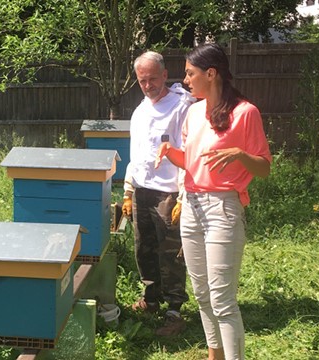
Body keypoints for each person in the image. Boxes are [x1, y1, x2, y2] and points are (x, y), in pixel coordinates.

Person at [155, 43, 271, 359]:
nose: (186, 80)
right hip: (191, 206)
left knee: (222, 299)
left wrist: (241, 155)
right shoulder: (194, 112)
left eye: (190, 74)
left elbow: (264, 167)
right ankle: (214, 354)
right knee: (202, 293)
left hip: (223, 209)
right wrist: (171, 154)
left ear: (211, 73)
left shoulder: (245, 113)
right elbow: (194, 163)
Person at [122, 50, 196, 336]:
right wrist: (128, 190)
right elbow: (136, 154)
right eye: (142, 80)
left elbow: (188, 151)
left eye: (153, 78)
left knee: (171, 255)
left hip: (168, 192)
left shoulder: (182, 107)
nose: (148, 84)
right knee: (144, 249)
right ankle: (151, 299)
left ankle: (175, 310)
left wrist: (181, 194)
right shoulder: (140, 111)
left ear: (165, 75)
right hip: (142, 190)